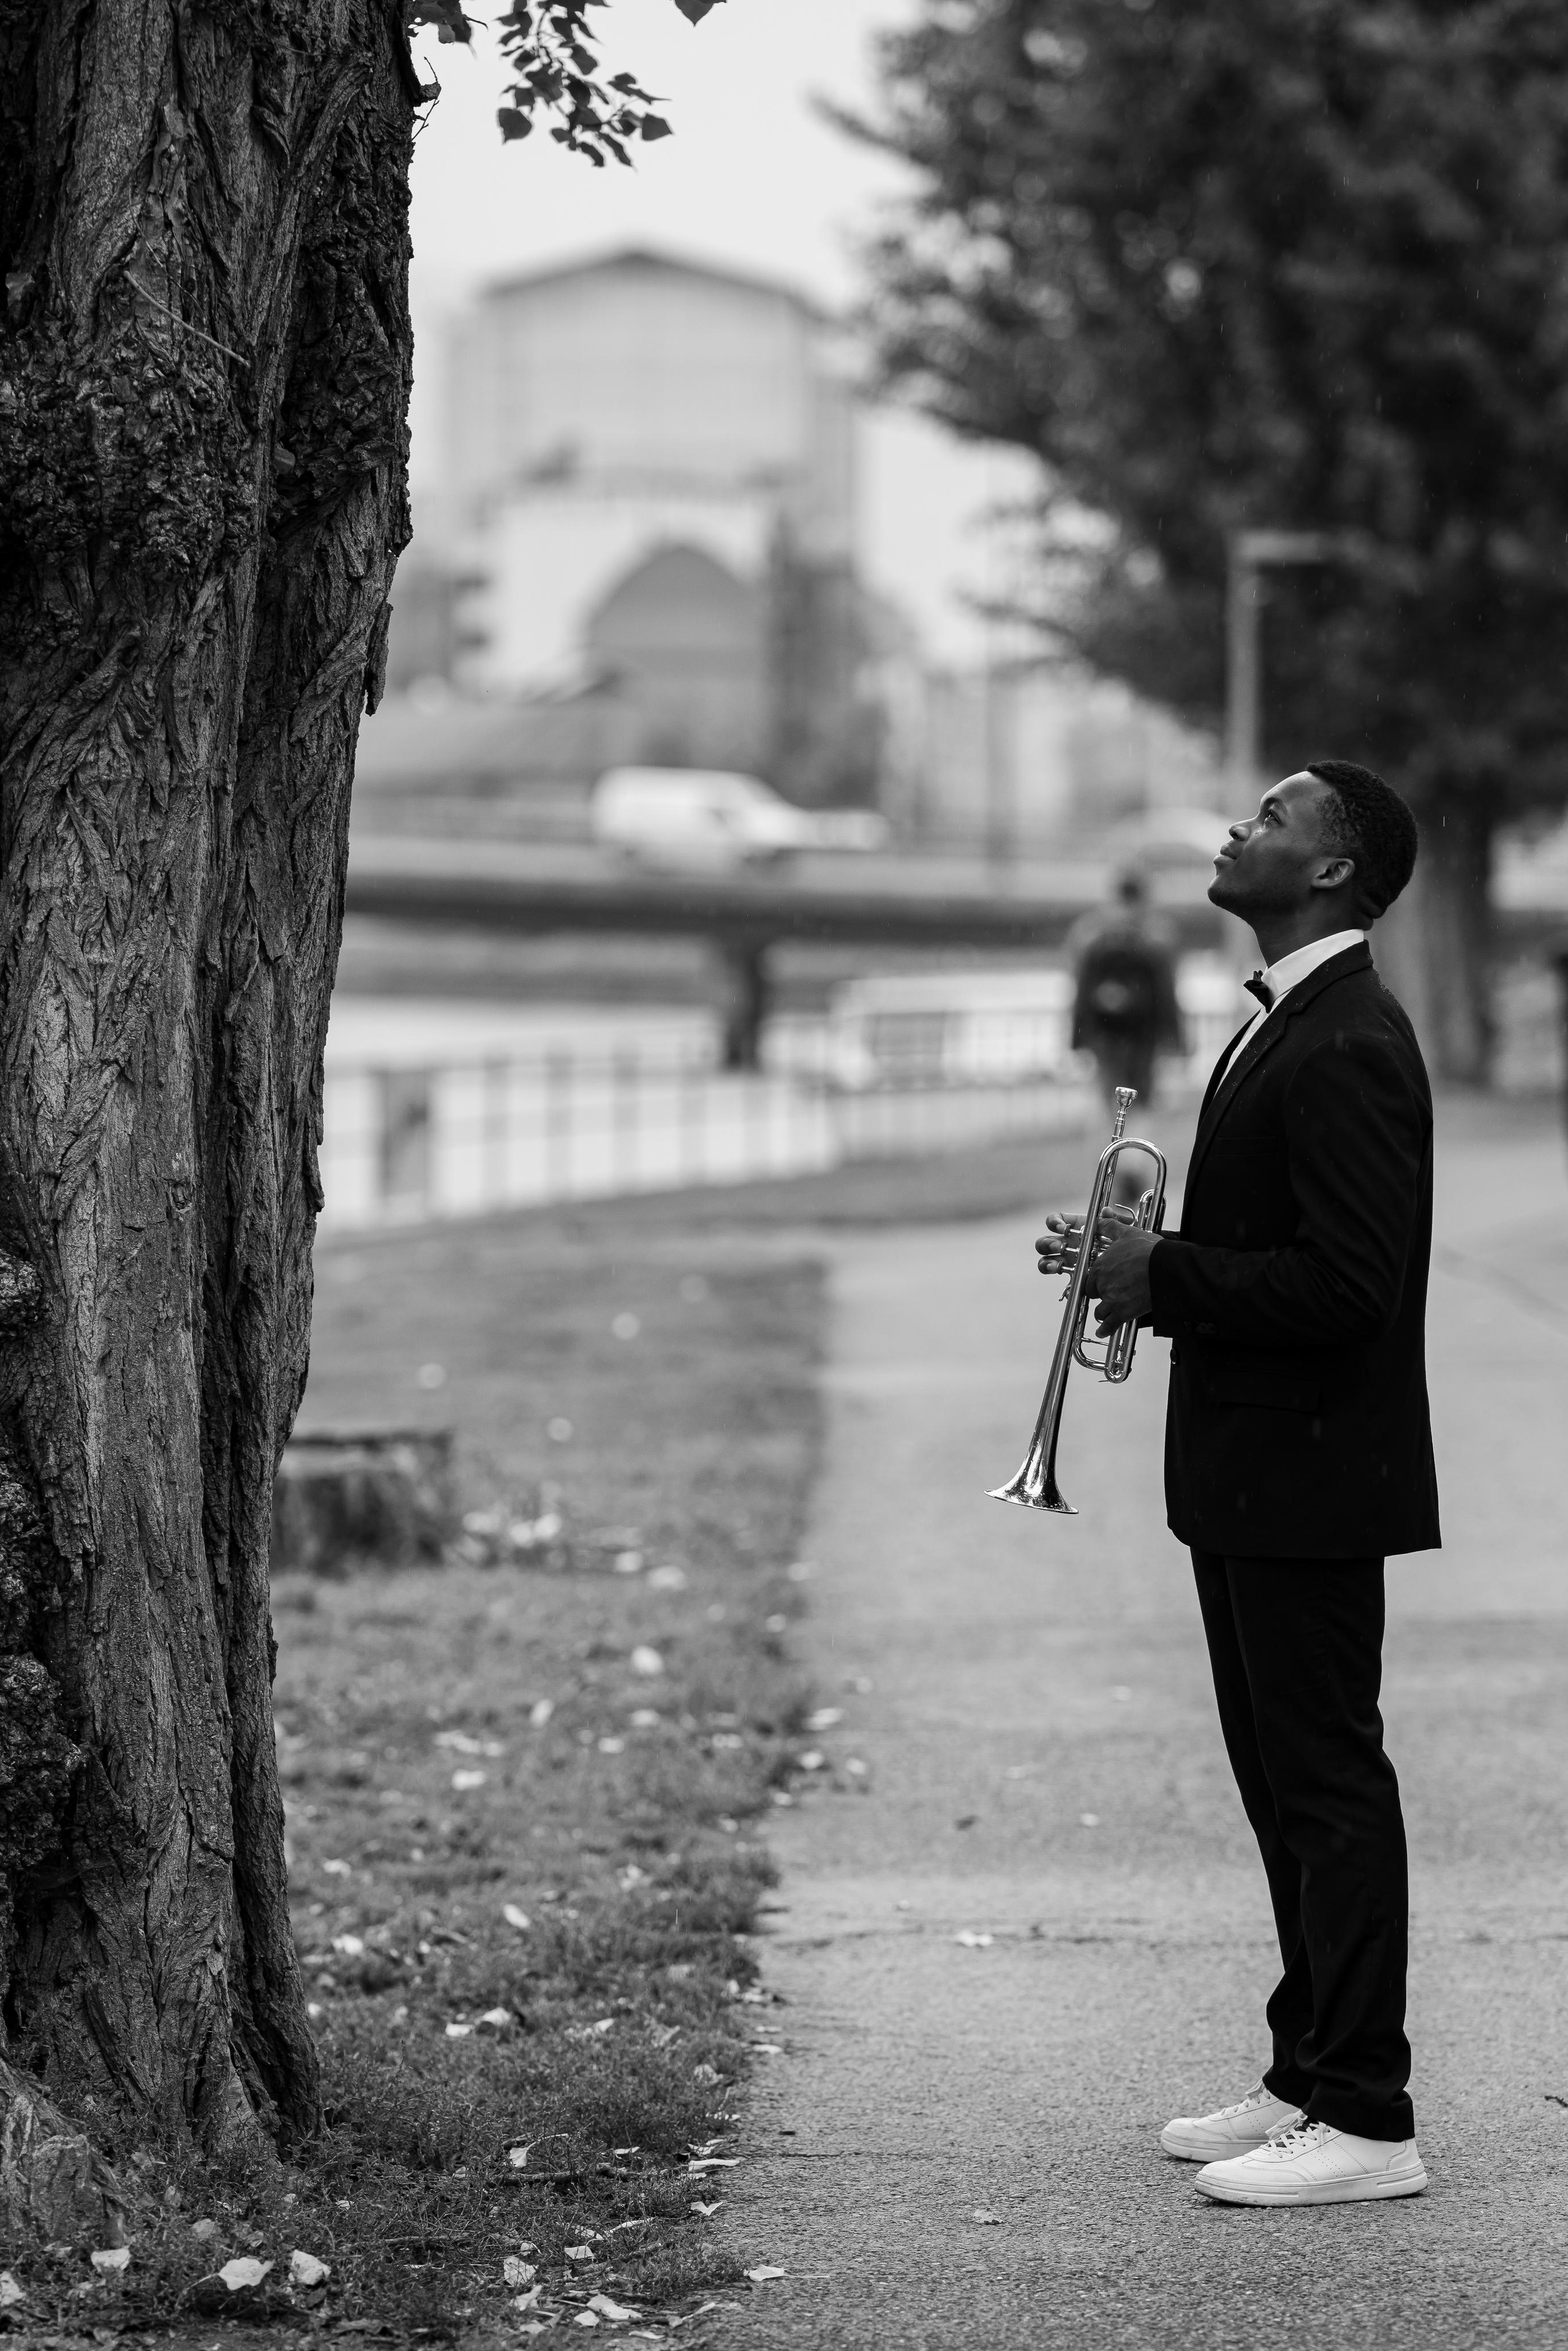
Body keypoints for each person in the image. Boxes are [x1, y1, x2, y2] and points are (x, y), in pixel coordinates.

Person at [1038, 759, 1438, 2208]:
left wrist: (1170, 1271)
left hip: (1316, 1473)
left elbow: (1349, 1282)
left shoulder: (1349, 1039)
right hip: (1253, 1469)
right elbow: (1272, 1251)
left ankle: (1368, 2117)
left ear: (1329, 871)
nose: (1234, 829)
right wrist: (1143, 1281)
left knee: (1326, 1783)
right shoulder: (1284, 1019)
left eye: (1271, 817)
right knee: (1279, 1787)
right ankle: (1304, 2071)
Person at [1067, 868, 1185, 1120]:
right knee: (1139, 1095)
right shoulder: (1158, 933)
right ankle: (1131, 1153)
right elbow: (1168, 991)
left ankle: (1116, 1152)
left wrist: (1077, 1037)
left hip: (1109, 1030)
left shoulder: (1092, 931)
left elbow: (1081, 986)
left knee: (1113, 1094)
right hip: (1142, 1030)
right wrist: (1175, 1039)